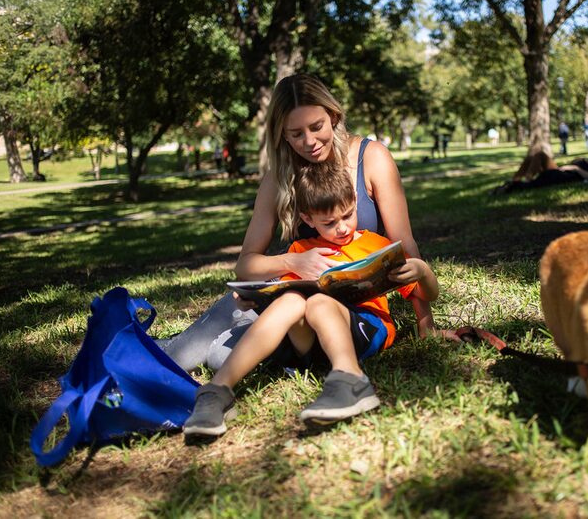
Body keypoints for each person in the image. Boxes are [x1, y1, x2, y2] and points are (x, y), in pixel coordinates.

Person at [159, 73, 452, 374]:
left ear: (334, 117)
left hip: (334, 311)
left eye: (316, 127)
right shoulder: (278, 177)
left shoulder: (372, 158)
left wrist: (425, 323)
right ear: (282, 134)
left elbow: (405, 246)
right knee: (180, 355)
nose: (309, 142)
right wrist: (294, 261)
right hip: (285, 293)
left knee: (219, 358)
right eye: (296, 134)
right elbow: (245, 265)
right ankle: (141, 353)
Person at [182, 164, 439, 435]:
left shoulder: (375, 245)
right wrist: (253, 299)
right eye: (329, 223)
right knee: (291, 300)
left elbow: (427, 294)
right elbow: (282, 292)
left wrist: (422, 270)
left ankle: (351, 379)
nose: (342, 228)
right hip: (308, 343)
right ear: (308, 218)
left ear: (354, 199)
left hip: (366, 327)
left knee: (318, 303)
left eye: (348, 215)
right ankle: (217, 391)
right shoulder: (302, 250)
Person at [490, 153, 588, 195]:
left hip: (564, 173)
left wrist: (575, 167)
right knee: (535, 156)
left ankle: (524, 180)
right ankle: (517, 180)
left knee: (540, 155)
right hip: (562, 169)